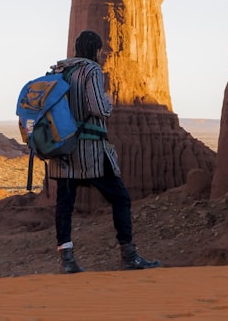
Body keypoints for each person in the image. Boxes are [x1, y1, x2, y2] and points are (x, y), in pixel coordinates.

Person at [48, 30, 161, 273]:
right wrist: (108, 101)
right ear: (94, 50)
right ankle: (128, 255)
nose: (101, 55)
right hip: (89, 150)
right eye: (99, 51)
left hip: (61, 150)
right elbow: (98, 108)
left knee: (64, 204)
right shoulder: (91, 71)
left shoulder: (59, 70)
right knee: (121, 198)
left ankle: (67, 261)